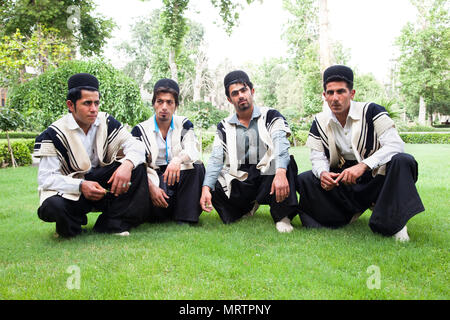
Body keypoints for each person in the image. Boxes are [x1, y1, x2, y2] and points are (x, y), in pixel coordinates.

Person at [296, 65, 425, 241]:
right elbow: (318, 156)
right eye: (330, 92)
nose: (335, 98)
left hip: (376, 175)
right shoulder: (320, 121)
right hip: (344, 179)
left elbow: (395, 145)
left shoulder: (372, 111)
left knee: (403, 160)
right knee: (305, 179)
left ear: (352, 93)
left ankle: (396, 223)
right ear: (324, 96)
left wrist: (363, 165)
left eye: (341, 91)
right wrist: (323, 173)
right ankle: (345, 214)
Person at [34, 73, 150, 238]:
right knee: (53, 206)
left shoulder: (106, 122)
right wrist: (81, 185)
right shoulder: (54, 134)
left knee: (137, 168)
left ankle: (111, 224)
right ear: (71, 105)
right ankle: (71, 227)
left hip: (102, 186)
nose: (94, 109)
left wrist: (127, 165)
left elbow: (137, 145)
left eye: (96, 103)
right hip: (72, 191)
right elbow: (46, 178)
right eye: (87, 103)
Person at [199, 70, 299, 233]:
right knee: (214, 182)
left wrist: (281, 173)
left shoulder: (271, 115)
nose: (241, 96)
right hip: (242, 177)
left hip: (268, 171)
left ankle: (282, 216)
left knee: (285, 163)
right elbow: (216, 159)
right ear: (229, 99)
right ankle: (247, 207)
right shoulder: (223, 126)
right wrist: (205, 189)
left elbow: (281, 143)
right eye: (235, 93)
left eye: (243, 90)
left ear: (251, 91)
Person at [131, 79, 205, 225]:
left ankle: (185, 218)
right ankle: (159, 212)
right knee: (137, 172)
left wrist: (177, 160)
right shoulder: (140, 130)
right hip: (154, 178)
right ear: (154, 103)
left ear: (176, 106)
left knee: (197, 166)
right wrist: (151, 187)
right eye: (160, 101)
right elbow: (136, 163)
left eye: (169, 102)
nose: (164, 107)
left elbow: (192, 148)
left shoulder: (183, 123)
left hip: (176, 173)